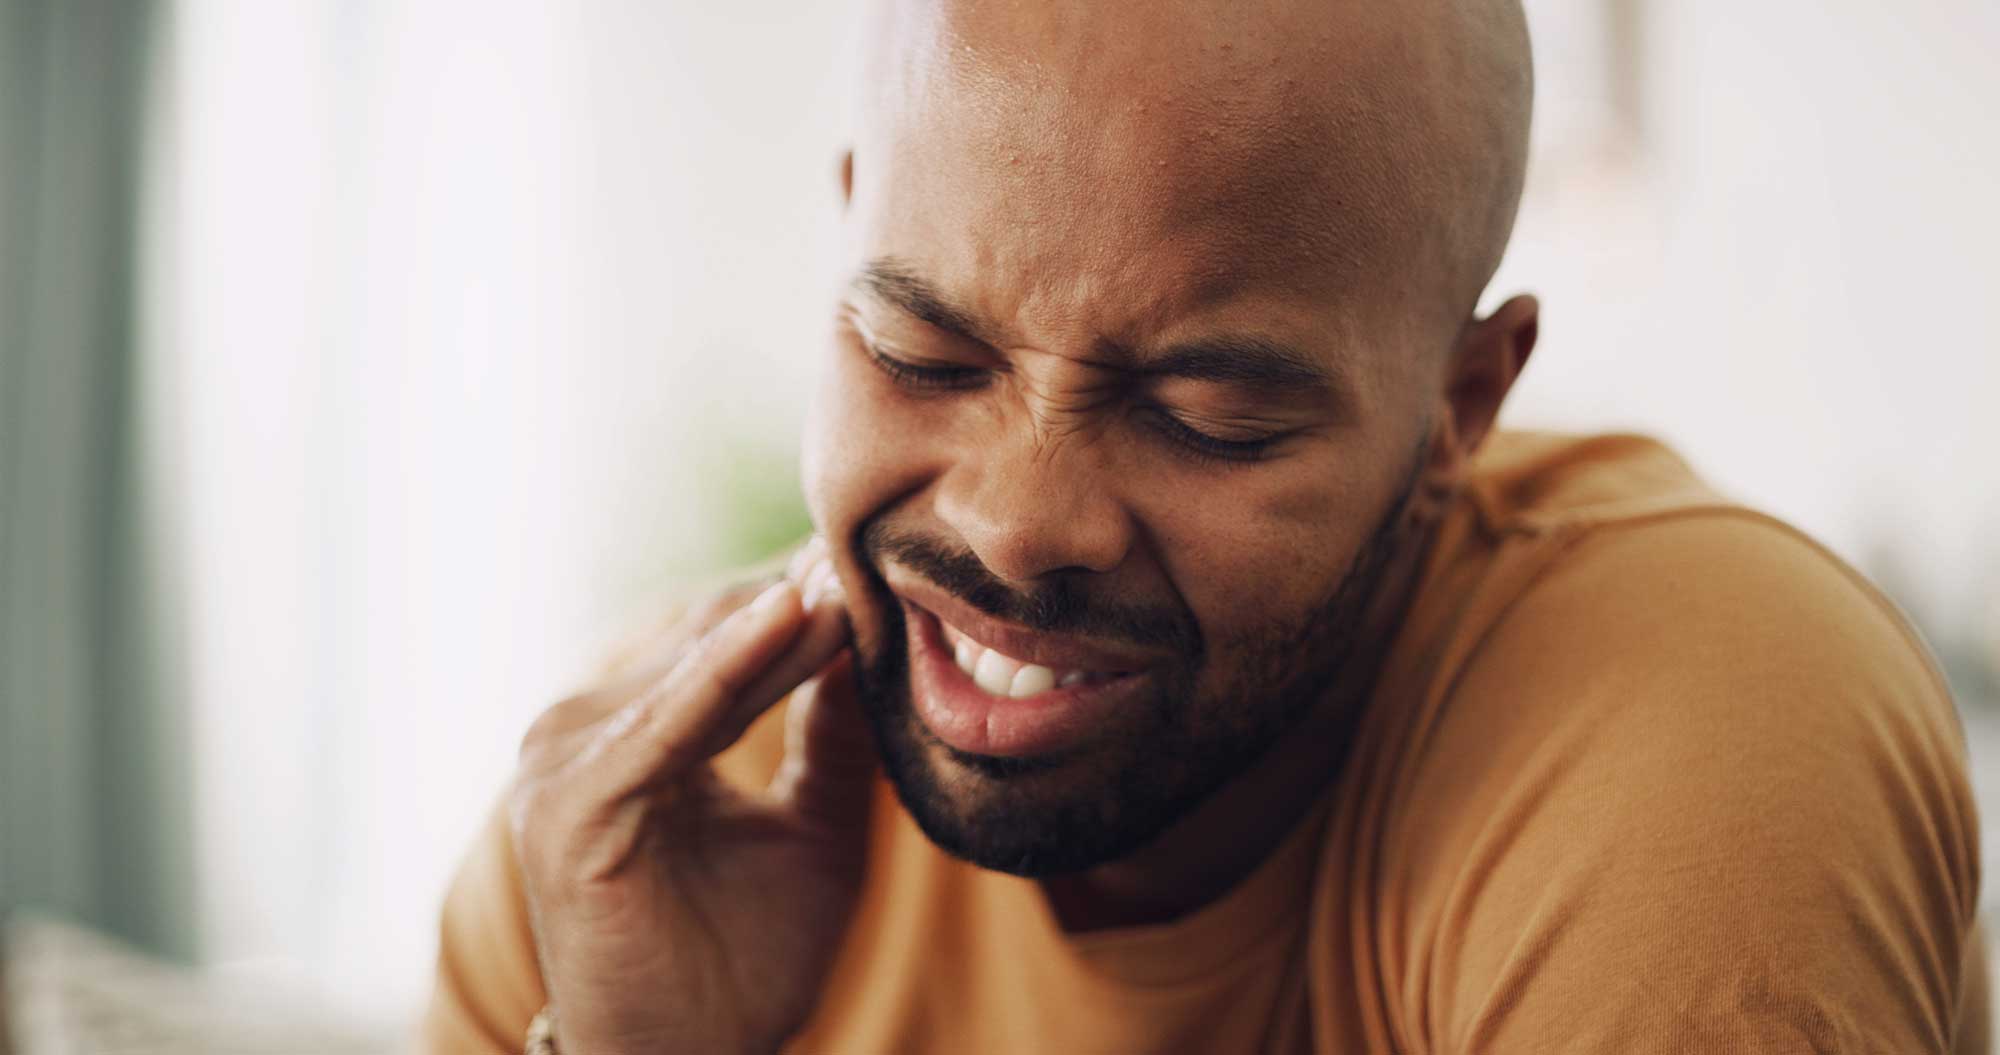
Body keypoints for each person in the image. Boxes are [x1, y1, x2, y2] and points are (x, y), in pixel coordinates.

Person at [421, 0, 1985, 1051]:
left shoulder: (1698, 721)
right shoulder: (635, 844)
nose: (1019, 524)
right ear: (847, 230)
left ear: (1460, 405)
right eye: (922, 356)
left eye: (1204, 415)